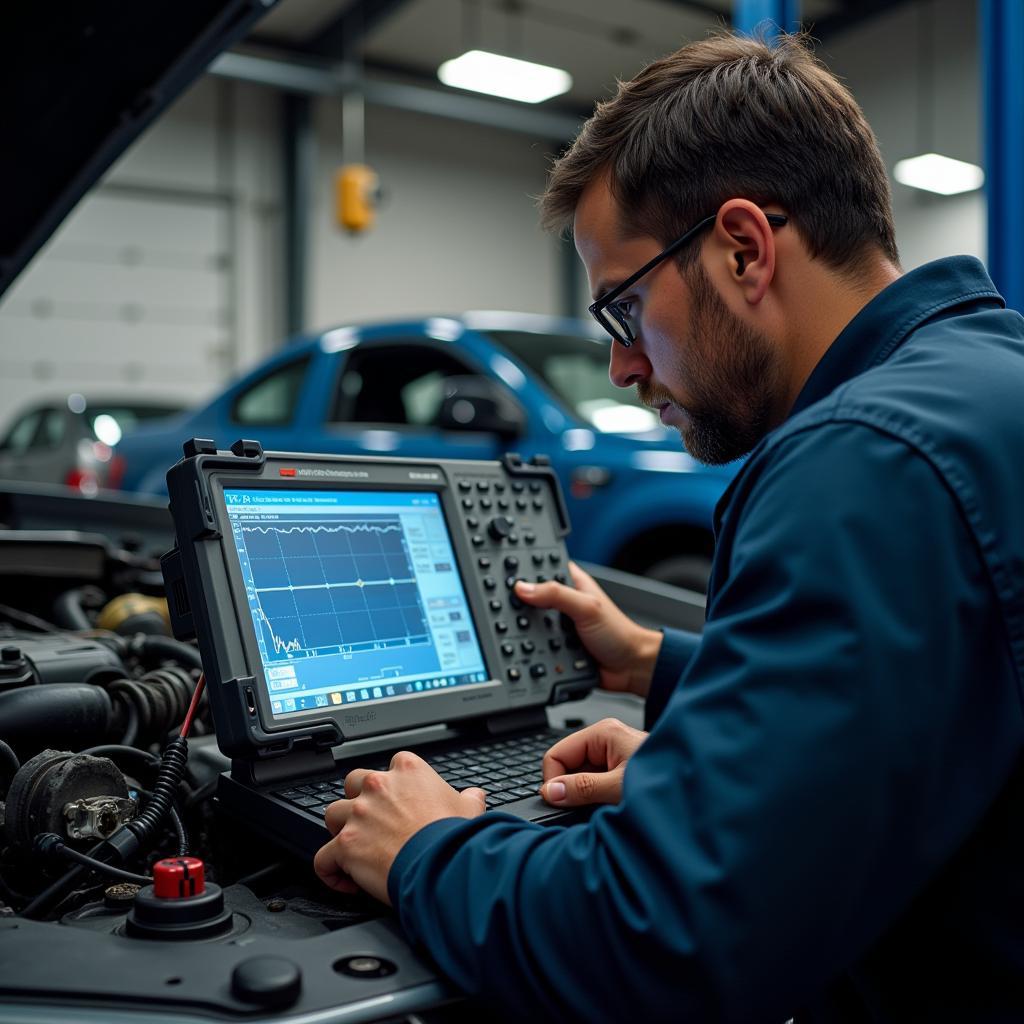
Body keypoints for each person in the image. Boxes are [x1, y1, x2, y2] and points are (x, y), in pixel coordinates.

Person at [313, 31, 1024, 1022]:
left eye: (623, 309)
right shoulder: (986, 382)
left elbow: (667, 942)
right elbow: (951, 684)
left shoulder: (864, 460)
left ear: (742, 247)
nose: (622, 368)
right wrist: (657, 662)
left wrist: (427, 848)